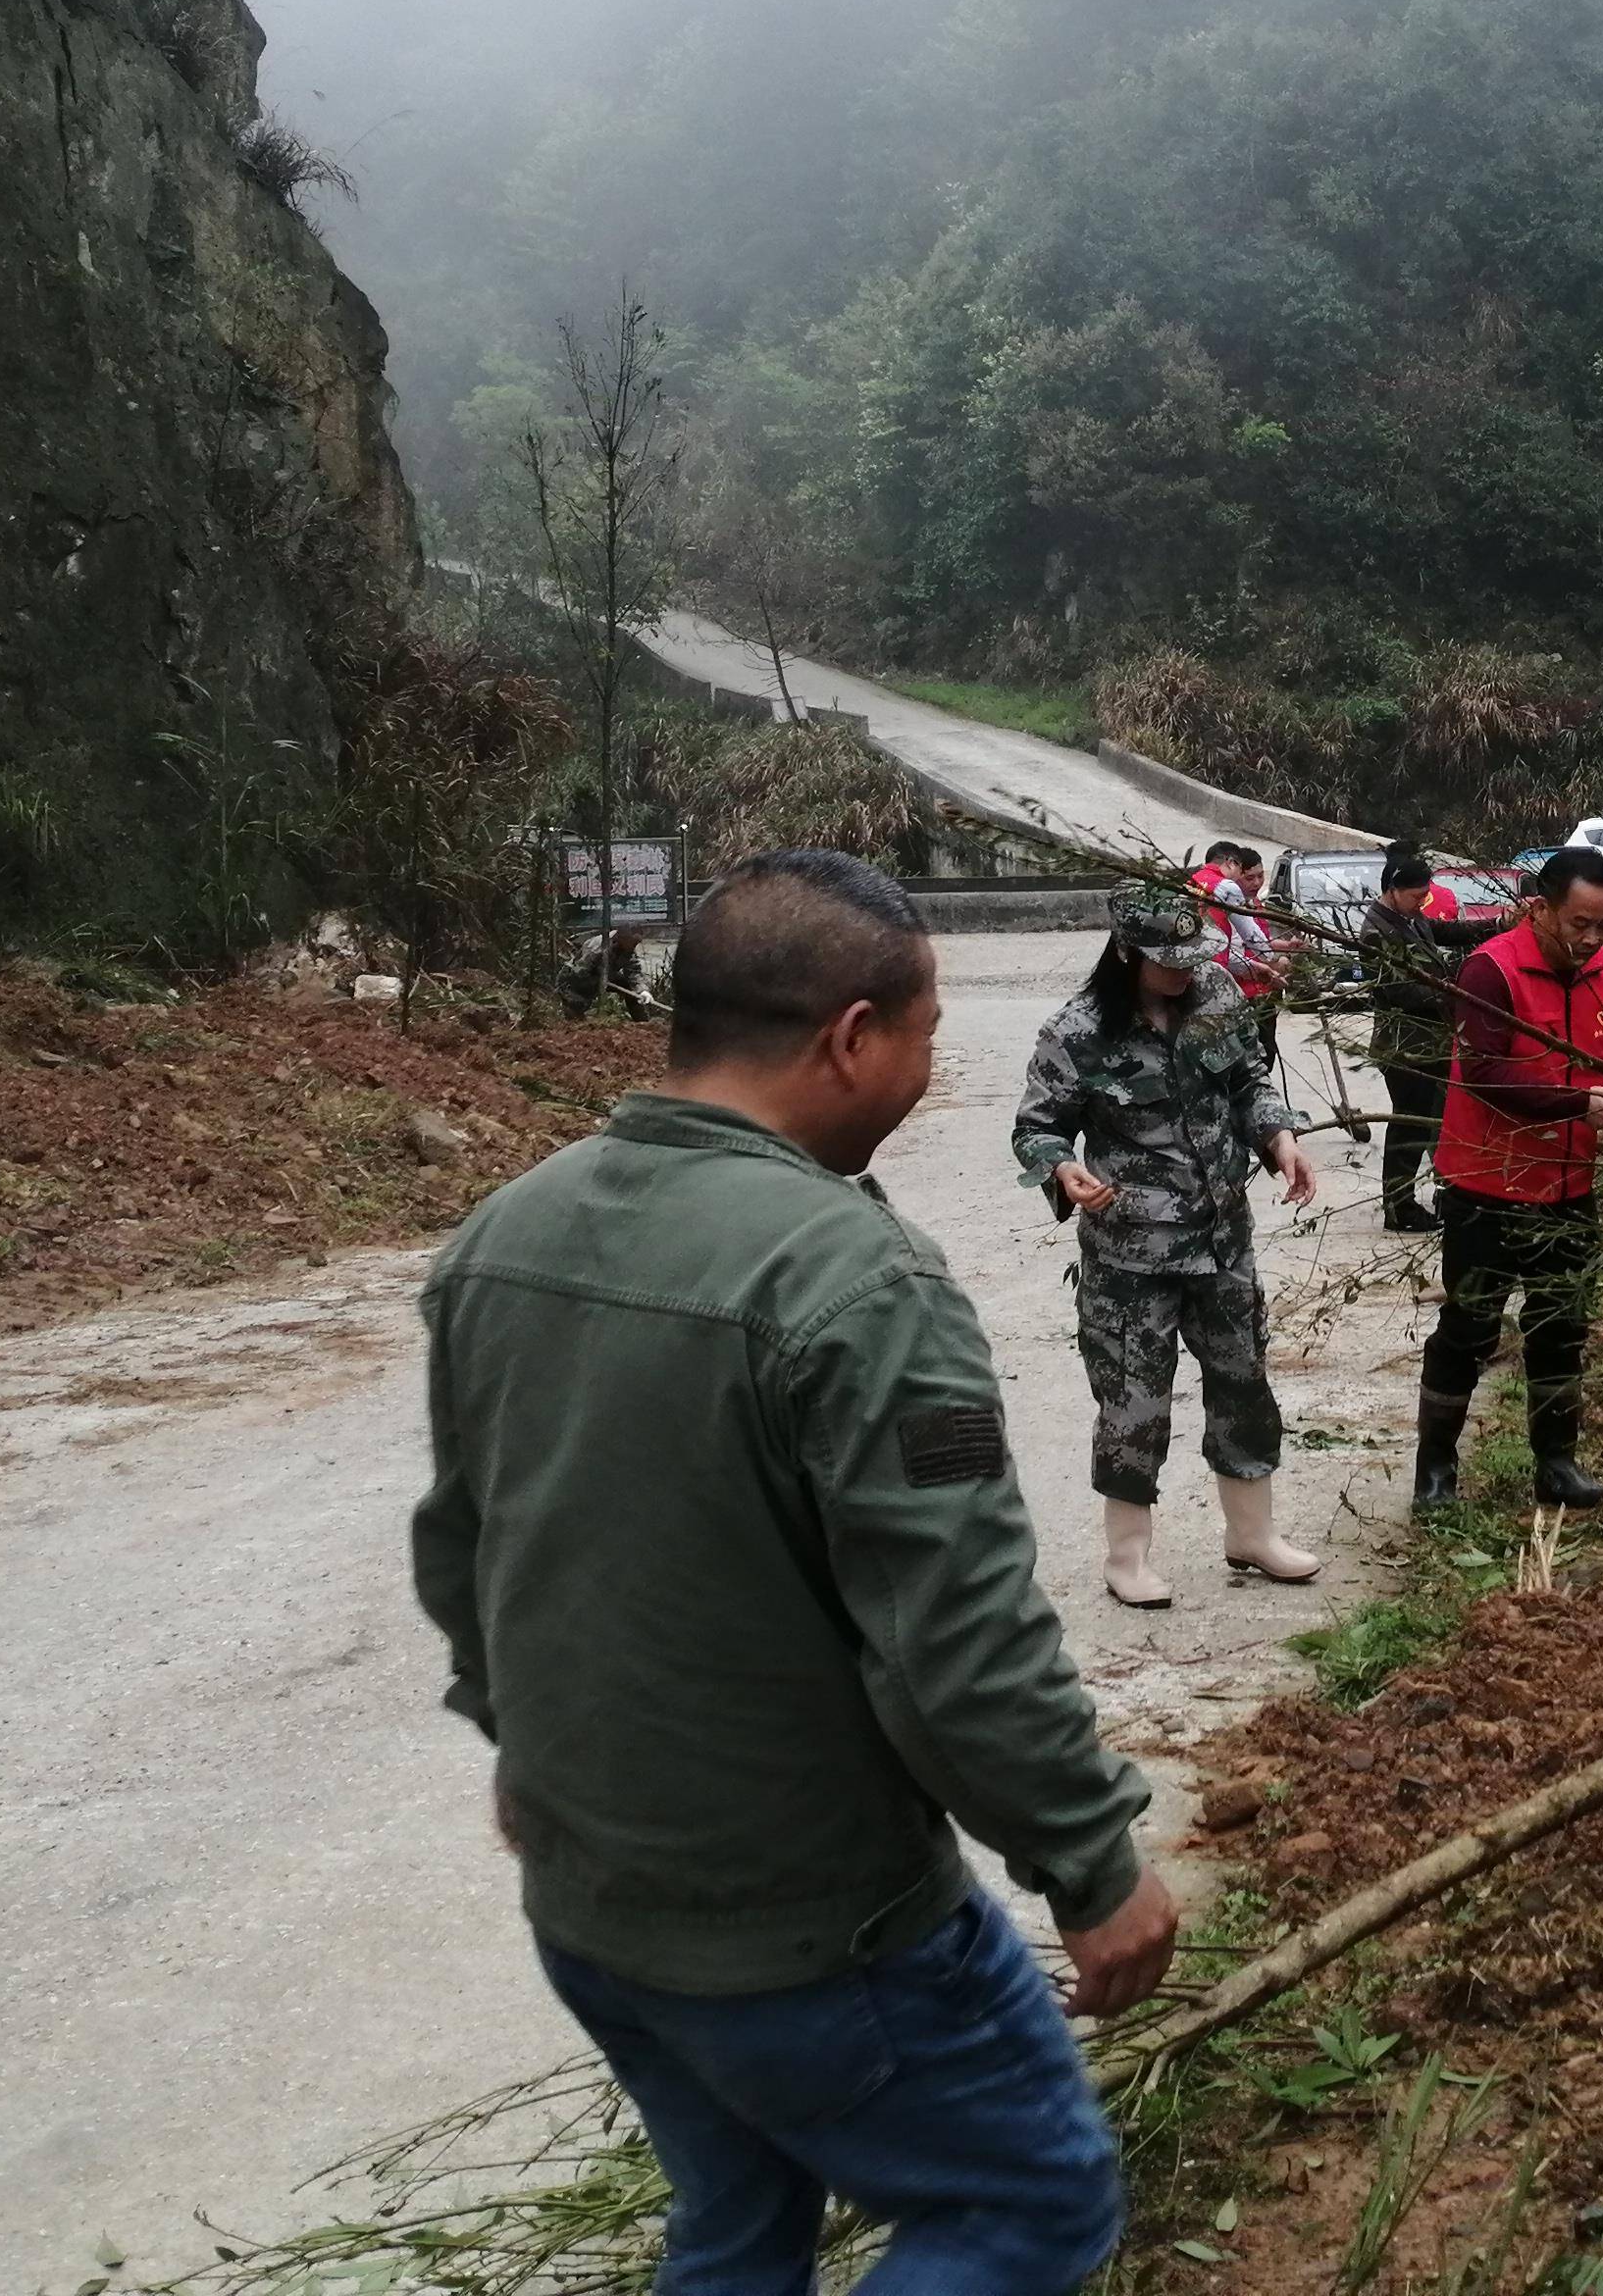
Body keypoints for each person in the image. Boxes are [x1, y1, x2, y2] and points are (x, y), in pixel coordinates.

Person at [411, 850, 1176, 2296]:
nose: (931, 1065)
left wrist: (524, 1751)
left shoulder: (501, 1236)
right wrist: (1090, 1860)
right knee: (1028, 2209)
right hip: (818, 1940)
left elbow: (465, 1553)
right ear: (852, 1036)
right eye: (931, 1031)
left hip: (594, 1912)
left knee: (737, 2218)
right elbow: (958, 1641)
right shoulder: (852, 1284)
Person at [1011, 888, 1324, 1607]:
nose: (1185, 972)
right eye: (1168, 963)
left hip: (1223, 1239)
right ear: (1127, 954)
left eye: (1193, 958)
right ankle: (1128, 1557)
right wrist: (1063, 1168)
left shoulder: (1214, 993)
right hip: (1132, 1254)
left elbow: (1249, 1082)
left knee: (1243, 1382)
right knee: (1134, 1404)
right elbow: (1036, 1128)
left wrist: (1280, 1139)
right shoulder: (1078, 1031)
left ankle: (1252, 1534)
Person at [1420, 844, 1603, 1512]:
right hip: (1487, 1182)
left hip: (1569, 1184)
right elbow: (1485, 1074)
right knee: (1471, 1328)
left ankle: (1557, 1464)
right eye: (1580, 925)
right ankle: (1435, 1472)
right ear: (1539, 908)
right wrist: (1584, 1103)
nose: (1592, 940)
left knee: (1561, 1323)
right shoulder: (1491, 970)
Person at [1356, 845, 1472, 1233]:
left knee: (1433, 1122)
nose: (1421, 902)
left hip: (1429, 1043)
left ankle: (1444, 1193)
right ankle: (1399, 1207)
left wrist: (1498, 924)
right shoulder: (1377, 931)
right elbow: (1400, 990)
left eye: (1425, 895)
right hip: (1404, 1046)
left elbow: (1444, 932)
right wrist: (1454, 993)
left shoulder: (1410, 919)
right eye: (1414, 895)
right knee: (1410, 1125)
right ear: (1391, 889)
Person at [1190, 842, 1283, 1064]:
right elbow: (1253, 938)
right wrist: (1270, 958)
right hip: (1218, 978)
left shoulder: (1195, 881)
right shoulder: (1227, 888)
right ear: (1231, 863)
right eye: (1241, 872)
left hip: (1191, 970)